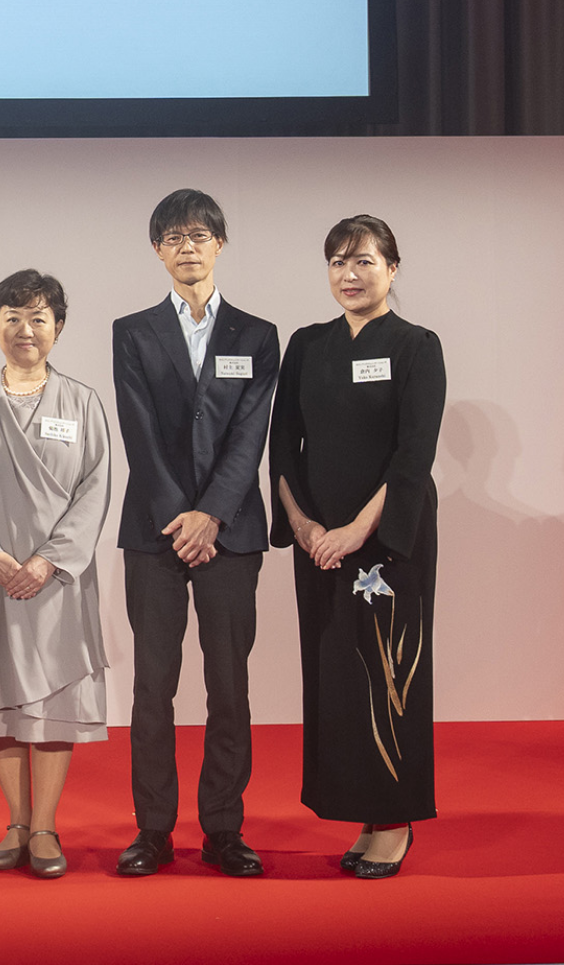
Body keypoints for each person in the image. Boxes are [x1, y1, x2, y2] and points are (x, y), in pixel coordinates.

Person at [109, 189, 281, 879]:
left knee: (229, 685)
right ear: (158, 250)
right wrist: (182, 516)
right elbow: (139, 431)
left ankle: (223, 828)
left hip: (231, 532)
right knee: (153, 685)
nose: (188, 247)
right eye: (175, 237)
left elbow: (250, 435)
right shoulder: (133, 331)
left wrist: (212, 514)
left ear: (220, 244)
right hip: (155, 530)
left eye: (200, 235)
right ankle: (153, 830)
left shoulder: (258, 334)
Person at [270, 215, 446, 879]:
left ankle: (393, 820)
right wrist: (304, 525)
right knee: (336, 676)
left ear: (392, 269)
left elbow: (413, 456)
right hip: (317, 542)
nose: (350, 274)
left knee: (387, 673)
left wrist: (355, 532)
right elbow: (282, 444)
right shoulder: (307, 345)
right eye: (338, 262)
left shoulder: (415, 346)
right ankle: (361, 811)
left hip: (386, 544)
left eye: (364, 261)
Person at [0, 269, 113, 880]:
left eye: (38, 318)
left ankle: (45, 826)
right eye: (11, 317)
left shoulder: (83, 402)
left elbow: (95, 488)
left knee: (54, 699)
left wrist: (48, 560)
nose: (25, 329)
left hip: (58, 579)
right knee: (0, 699)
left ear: (58, 327)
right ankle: (15, 821)